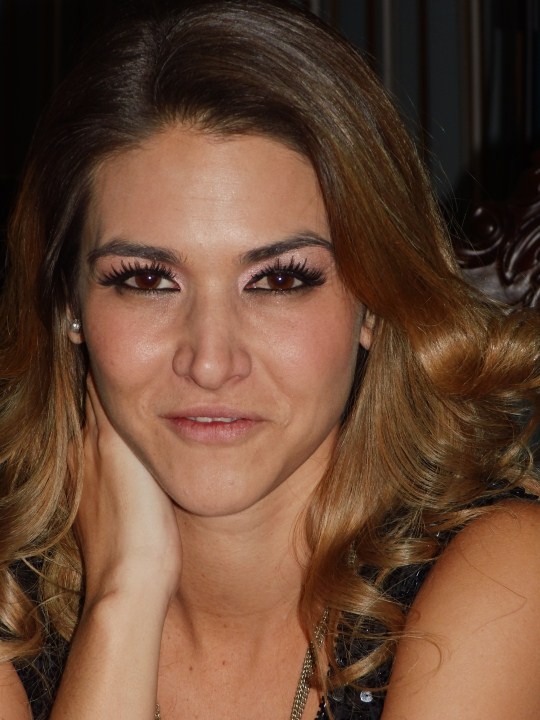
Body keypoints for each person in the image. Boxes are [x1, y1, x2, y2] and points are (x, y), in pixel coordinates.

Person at [1, 1, 540, 718]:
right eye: (148, 279)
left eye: (280, 280)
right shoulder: (13, 605)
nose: (211, 361)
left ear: (374, 301)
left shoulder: (504, 577)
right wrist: (123, 597)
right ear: (69, 302)